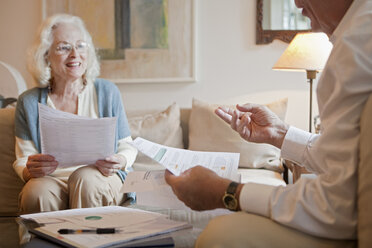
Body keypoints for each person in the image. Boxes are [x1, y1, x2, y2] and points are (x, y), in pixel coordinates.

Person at [165, 0, 372, 246]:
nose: (296, 3)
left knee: (222, 236)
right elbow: (350, 162)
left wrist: (226, 192)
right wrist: (279, 134)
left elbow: (336, 207)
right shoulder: (357, 32)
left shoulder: (356, 46)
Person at [14, 14, 137, 214]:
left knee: (85, 179)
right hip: (52, 180)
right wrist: (29, 169)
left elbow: (127, 146)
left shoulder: (107, 92)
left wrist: (120, 161)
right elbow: (23, 158)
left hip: (101, 177)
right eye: (64, 47)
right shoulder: (28, 102)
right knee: (35, 192)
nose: (75, 54)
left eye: (80, 45)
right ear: (46, 55)